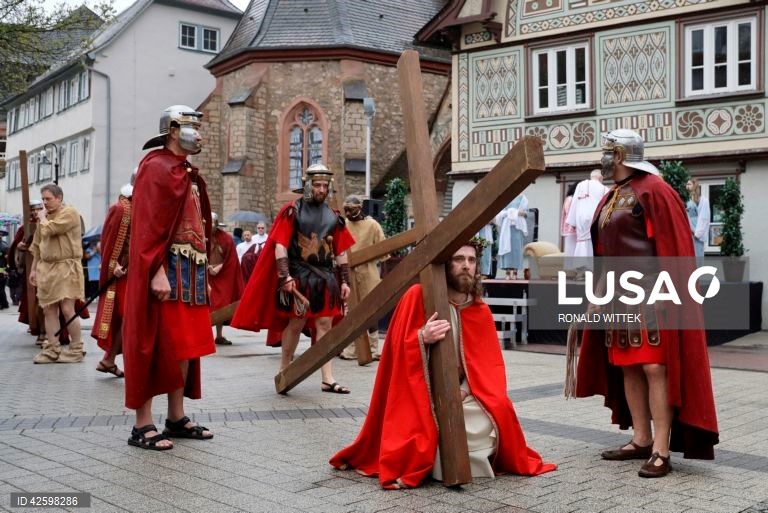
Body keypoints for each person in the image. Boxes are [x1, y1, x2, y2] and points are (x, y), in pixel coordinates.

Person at [330, 241, 556, 488]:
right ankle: (433, 460)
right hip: (422, 392)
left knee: (495, 411)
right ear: (446, 264)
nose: (466, 266)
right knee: (426, 420)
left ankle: (456, 458)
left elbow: (490, 368)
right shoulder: (418, 296)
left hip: (465, 394)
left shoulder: (479, 310)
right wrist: (422, 338)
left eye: (471, 260)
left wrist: (464, 391)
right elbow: (396, 350)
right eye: (459, 259)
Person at [574, 129, 719, 478]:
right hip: (618, 295)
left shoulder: (656, 190)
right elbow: (605, 255)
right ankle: (641, 438)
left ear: (620, 155)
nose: (603, 159)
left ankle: (661, 449)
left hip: (655, 294)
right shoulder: (612, 196)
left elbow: (674, 249)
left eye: (607, 152)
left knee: (655, 367)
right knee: (628, 365)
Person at [123, 105, 215, 451]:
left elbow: (199, 226)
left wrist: (203, 273)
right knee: (153, 344)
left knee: (186, 348)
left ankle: (176, 417)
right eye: (193, 128)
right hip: (165, 270)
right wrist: (156, 270)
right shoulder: (155, 167)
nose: (200, 135)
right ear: (174, 130)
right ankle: (142, 425)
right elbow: (147, 224)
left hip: (191, 272)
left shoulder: (184, 170)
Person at [232, 163, 354, 393]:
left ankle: (327, 378)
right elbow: (280, 245)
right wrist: (284, 276)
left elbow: (340, 251)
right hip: (300, 276)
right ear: (308, 186)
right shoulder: (293, 210)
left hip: (327, 278)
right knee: (295, 324)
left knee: (325, 325)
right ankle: (284, 371)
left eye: (325, 185)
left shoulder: (334, 216)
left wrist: (345, 280)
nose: (322, 189)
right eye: (317, 185)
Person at [30, 183, 86, 364]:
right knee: (48, 309)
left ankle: (76, 349)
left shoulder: (70, 213)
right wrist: (33, 269)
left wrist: (42, 219)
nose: (45, 203)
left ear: (59, 198)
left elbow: (51, 229)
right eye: (43, 199)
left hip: (66, 266)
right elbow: (37, 246)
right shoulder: (45, 218)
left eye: (48, 199)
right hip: (47, 268)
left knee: (68, 309)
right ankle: (52, 349)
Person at [91, 179, 134, 378]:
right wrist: (113, 264)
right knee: (126, 316)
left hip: (135, 271)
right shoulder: (121, 209)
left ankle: (109, 360)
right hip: (124, 274)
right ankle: (111, 360)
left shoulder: (138, 207)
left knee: (126, 316)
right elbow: (108, 241)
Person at [339, 195, 386, 362]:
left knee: (370, 311)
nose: (348, 213)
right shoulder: (343, 225)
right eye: (345, 210)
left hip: (369, 272)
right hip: (349, 273)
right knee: (351, 311)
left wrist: (384, 275)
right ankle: (351, 349)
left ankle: (372, 349)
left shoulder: (372, 225)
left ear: (359, 208)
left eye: (351, 210)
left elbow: (383, 250)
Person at [208, 212, 244, 345]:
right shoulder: (200, 235)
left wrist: (219, 268)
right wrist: (206, 267)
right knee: (206, 305)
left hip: (222, 275)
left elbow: (231, 259)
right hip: (205, 275)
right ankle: (205, 335)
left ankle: (219, 335)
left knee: (221, 305)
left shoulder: (226, 239)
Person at [565, 169, 609, 267]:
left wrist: (572, 221)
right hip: (596, 218)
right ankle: (592, 267)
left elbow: (575, 202)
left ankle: (581, 268)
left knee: (581, 242)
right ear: (601, 178)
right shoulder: (605, 189)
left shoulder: (581, 185)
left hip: (581, 217)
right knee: (593, 242)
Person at [495, 194, 528, 280]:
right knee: (507, 251)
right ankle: (508, 272)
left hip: (517, 227)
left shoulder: (522, 198)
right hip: (507, 226)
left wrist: (516, 213)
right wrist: (510, 212)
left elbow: (525, 213)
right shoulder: (505, 197)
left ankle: (515, 273)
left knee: (516, 250)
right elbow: (500, 213)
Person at [685, 178, 710, 264]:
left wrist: (696, 232)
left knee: (697, 254)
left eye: (689, 184)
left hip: (696, 227)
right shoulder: (686, 198)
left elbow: (704, 216)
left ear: (694, 185)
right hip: (687, 227)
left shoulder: (700, 199)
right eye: (687, 184)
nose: (687, 186)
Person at [561, 182, 578, 264]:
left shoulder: (572, 199)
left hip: (573, 229)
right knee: (571, 251)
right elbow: (569, 213)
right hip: (571, 229)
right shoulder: (570, 199)